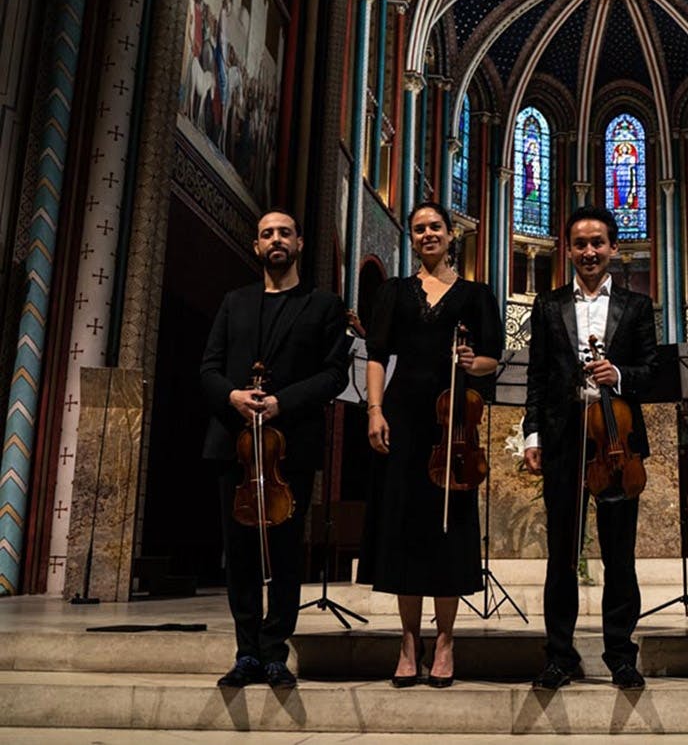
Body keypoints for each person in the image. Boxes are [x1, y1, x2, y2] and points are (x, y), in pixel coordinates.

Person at [200, 209, 351, 688]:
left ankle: (275, 651)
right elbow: (209, 369)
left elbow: (334, 374)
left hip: (290, 445)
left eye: (285, 232)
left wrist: (282, 402)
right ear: (257, 246)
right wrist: (233, 396)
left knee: (285, 552)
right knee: (240, 552)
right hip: (235, 444)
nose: (276, 240)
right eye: (267, 234)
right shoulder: (235, 302)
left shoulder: (324, 305)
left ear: (300, 243)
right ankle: (246, 652)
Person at [360, 201, 500, 688]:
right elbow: (377, 355)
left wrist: (473, 361)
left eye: (435, 226)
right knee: (404, 528)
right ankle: (407, 641)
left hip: (453, 424)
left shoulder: (477, 294)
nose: (427, 234)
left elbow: (493, 359)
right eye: (419, 229)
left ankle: (444, 640)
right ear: (412, 237)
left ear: (450, 234)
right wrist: (374, 410)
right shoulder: (394, 292)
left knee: (449, 531)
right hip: (402, 416)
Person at [523, 206, 658, 692]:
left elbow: (652, 372)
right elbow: (538, 377)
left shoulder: (637, 306)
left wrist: (617, 374)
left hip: (617, 442)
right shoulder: (547, 305)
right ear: (568, 250)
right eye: (580, 243)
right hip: (563, 438)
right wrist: (533, 435)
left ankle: (621, 655)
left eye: (597, 242)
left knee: (620, 555)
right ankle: (559, 656)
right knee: (562, 554)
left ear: (613, 248)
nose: (589, 251)